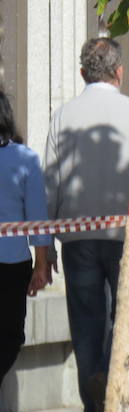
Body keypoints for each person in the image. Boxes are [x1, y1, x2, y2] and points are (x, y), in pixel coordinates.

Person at [43, 37, 129, 412]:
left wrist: (43, 249)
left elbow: (50, 186)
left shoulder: (63, 116)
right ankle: (108, 382)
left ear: (83, 73)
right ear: (119, 72)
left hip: (77, 236)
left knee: (85, 323)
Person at [0, 92, 53, 387]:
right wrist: (42, 264)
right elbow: (37, 216)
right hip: (11, 263)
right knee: (10, 334)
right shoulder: (24, 159)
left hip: (13, 261)